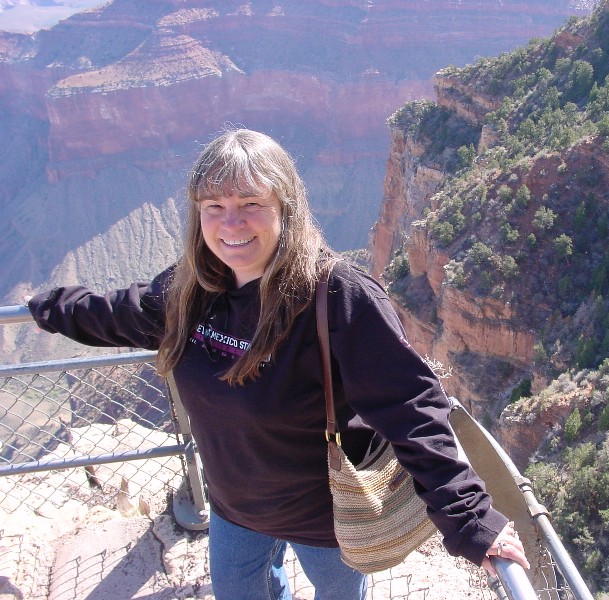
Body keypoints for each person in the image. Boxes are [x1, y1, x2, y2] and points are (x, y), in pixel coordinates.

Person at [27, 128, 529, 599]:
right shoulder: (189, 291)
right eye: (214, 206)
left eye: (251, 204)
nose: (231, 223)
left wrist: (471, 521)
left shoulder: (336, 295)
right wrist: (41, 307)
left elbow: (412, 408)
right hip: (233, 510)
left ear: (285, 208)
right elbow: (116, 314)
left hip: (328, 520)